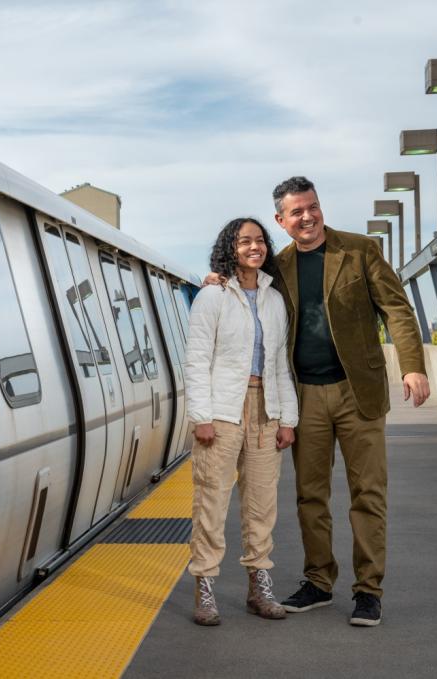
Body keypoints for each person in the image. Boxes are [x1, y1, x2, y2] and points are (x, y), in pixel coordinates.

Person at [269, 176, 429, 627]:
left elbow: (396, 309)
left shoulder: (359, 250)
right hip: (305, 398)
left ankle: (368, 591)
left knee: (368, 494)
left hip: (358, 393)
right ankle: (318, 582)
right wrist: (215, 277)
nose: (308, 217)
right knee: (309, 496)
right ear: (281, 221)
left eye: (313, 207)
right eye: (297, 212)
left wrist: (412, 365)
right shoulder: (277, 268)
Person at [185, 217, 298, 626]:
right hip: (223, 410)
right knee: (211, 501)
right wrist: (201, 416)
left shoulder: (273, 300)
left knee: (261, 504)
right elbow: (197, 359)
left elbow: (281, 364)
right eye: (244, 241)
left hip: (266, 408)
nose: (254, 247)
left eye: (260, 240)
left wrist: (287, 418)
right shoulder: (212, 297)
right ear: (230, 248)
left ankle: (258, 586)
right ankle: (205, 587)